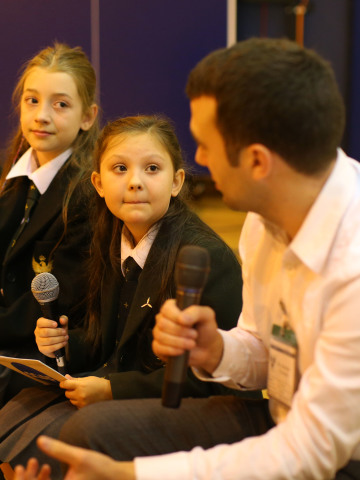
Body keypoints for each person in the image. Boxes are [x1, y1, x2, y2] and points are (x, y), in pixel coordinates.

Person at [14, 36, 360, 480]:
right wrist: (217, 349)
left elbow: (313, 450)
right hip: (283, 413)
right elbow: (264, 352)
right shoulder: (262, 219)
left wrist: (136, 474)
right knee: (90, 432)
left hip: (340, 455)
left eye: (206, 144)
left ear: (257, 161)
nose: (198, 159)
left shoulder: (351, 267)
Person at [0, 115, 245, 477]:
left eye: (151, 169)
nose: (134, 182)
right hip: (116, 383)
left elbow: (211, 376)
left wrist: (114, 389)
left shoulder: (203, 257)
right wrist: (66, 342)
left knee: (61, 438)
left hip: (189, 403)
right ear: (98, 183)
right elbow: (108, 338)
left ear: (177, 181)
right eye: (119, 168)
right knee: (14, 409)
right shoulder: (110, 235)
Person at [0, 43, 99, 406]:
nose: (41, 116)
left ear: (87, 117)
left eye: (60, 104)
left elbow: (63, 299)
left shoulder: (88, 194)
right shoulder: (14, 173)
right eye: (32, 101)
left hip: (39, 349)